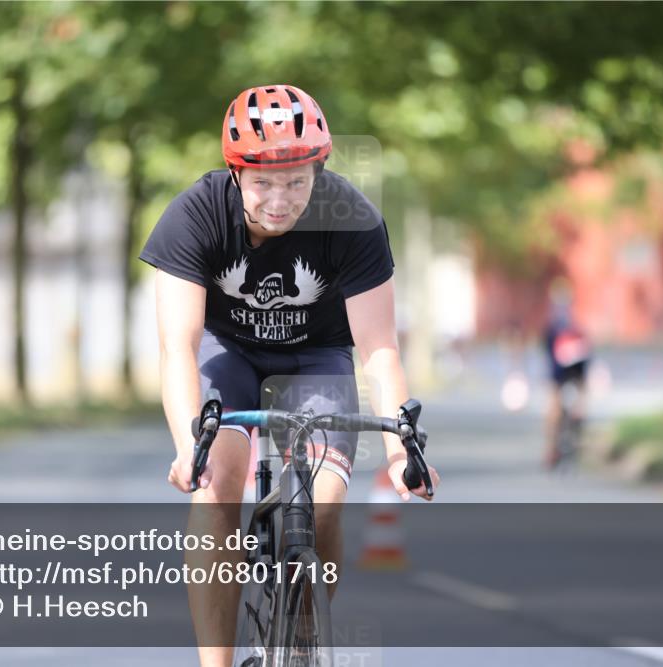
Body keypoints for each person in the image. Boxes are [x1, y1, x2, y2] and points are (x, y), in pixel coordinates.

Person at [139, 84, 440, 667]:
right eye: (263, 183)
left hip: (317, 356)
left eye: (297, 182)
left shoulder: (353, 218)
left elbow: (379, 348)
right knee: (215, 488)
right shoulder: (194, 215)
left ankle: (304, 637)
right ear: (236, 174)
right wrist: (186, 448)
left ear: (318, 172)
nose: (279, 200)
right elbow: (178, 347)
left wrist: (399, 452)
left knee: (325, 502)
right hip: (228, 353)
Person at [542, 279, 591, 469]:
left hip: (569, 365)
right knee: (566, 399)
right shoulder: (563, 327)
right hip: (567, 365)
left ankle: (554, 447)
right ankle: (557, 446)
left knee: (558, 399)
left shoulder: (561, 326)